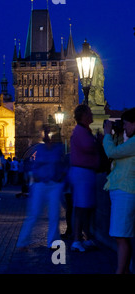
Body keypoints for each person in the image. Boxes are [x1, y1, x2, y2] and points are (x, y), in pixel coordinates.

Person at [16, 126, 68, 249]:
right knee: (33, 214)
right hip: (40, 184)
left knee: (54, 214)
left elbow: (63, 165)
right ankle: (22, 241)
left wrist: (61, 178)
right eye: (46, 135)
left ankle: (53, 242)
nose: (48, 137)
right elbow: (30, 165)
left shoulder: (57, 149)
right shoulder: (39, 148)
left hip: (54, 184)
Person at [103, 108, 135, 274]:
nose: (125, 128)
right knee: (121, 235)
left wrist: (107, 134)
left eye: (126, 124)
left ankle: (120, 271)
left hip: (125, 191)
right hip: (122, 190)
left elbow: (112, 153)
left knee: (121, 235)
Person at [69, 104, 101, 252]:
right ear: (84, 116)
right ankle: (76, 240)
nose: (92, 115)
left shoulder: (85, 130)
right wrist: (100, 141)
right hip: (82, 173)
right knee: (81, 207)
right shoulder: (80, 131)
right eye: (89, 113)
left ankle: (86, 237)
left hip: (87, 173)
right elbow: (89, 147)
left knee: (86, 207)